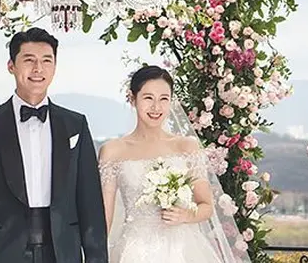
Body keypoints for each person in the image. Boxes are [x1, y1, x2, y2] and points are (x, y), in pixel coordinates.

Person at [0, 27, 109, 263]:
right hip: (2, 253)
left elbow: (90, 203)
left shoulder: (75, 124)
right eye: (29, 60)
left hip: (62, 252)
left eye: (46, 61)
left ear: (55, 67)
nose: (38, 69)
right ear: (11, 66)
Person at [98, 65, 246, 263]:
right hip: (135, 250)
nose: (156, 107)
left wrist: (186, 215)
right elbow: (104, 216)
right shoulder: (113, 150)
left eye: (164, 99)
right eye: (148, 98)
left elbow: (206, 207)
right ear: (133, 99)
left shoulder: (187, 146)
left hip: (184, 249)